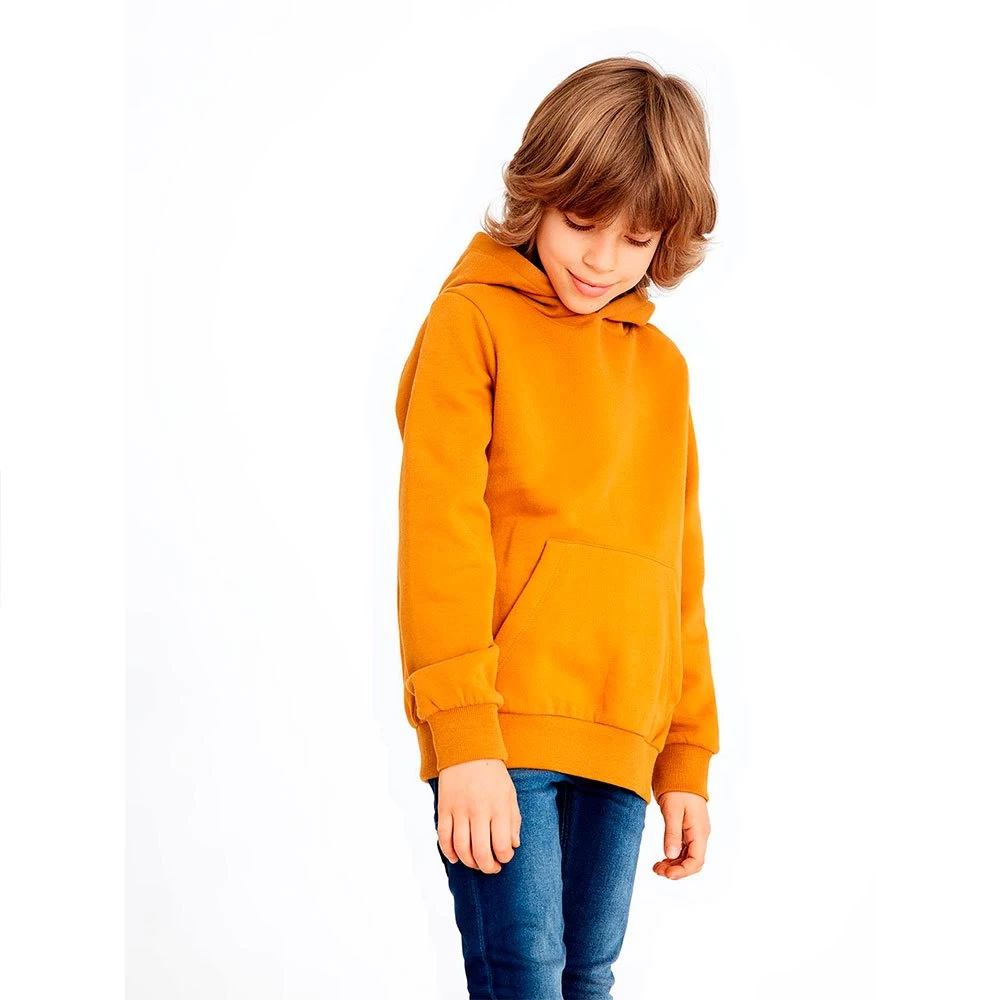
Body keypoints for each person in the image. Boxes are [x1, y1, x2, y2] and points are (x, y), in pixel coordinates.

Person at [394, 55, 721, 998]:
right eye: (581, 221)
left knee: (589, 979)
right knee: (525, 978)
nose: (601, 259)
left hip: (622, 734)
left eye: (636, 238)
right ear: (537, 192)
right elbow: (439, 537)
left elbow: (678, 572)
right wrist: (464, 739)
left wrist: (686, 754)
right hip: (503, 732)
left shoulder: (662, 372)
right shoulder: (473, 325)